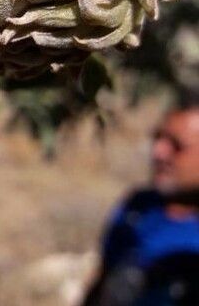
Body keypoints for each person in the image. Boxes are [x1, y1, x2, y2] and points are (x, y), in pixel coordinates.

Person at [82, 102, 199, 306]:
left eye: (177, 145)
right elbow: (103, 280)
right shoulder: (139, 206)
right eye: (158, 138)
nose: (159, 152)